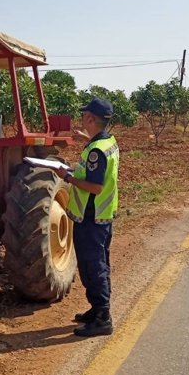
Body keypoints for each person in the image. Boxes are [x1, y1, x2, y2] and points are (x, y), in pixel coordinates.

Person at [54, 97, 120, 337]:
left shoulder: (96, 152)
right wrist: (87, 140)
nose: (83, 119)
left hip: (91, 217)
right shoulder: (107, 141)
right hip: (101, 215)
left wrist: (67, 177)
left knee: (93, 266)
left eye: (85, 116)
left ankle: (103, 317)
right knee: (99, 263)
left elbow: (95, 187)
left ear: (91, 119)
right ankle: (98, 308)